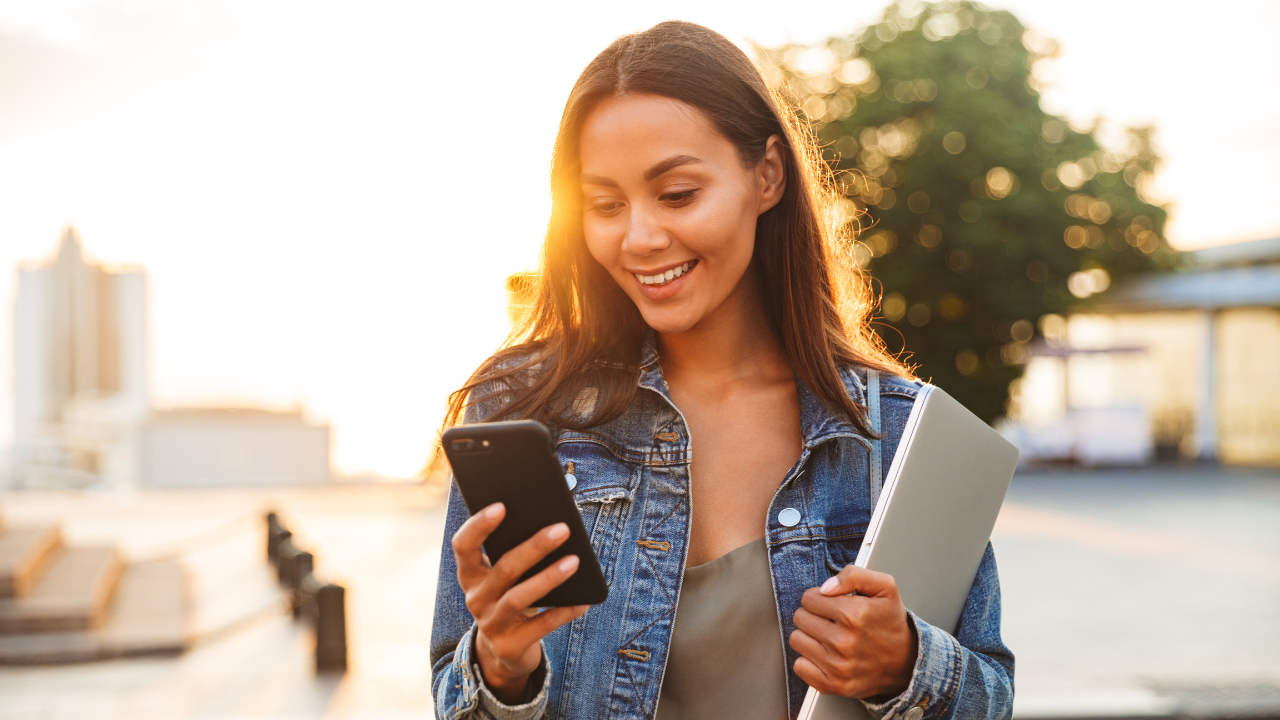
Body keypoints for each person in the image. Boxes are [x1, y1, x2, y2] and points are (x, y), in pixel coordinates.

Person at [430, 20, 1014, 720]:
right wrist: (501, 666)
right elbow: (453, 699)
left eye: (677, 194)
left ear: (767, 174)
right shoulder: (524, 413)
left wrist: (905, 667)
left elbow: (991, 698)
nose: (640, 238)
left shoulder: (896, 431)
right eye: (606, 205)